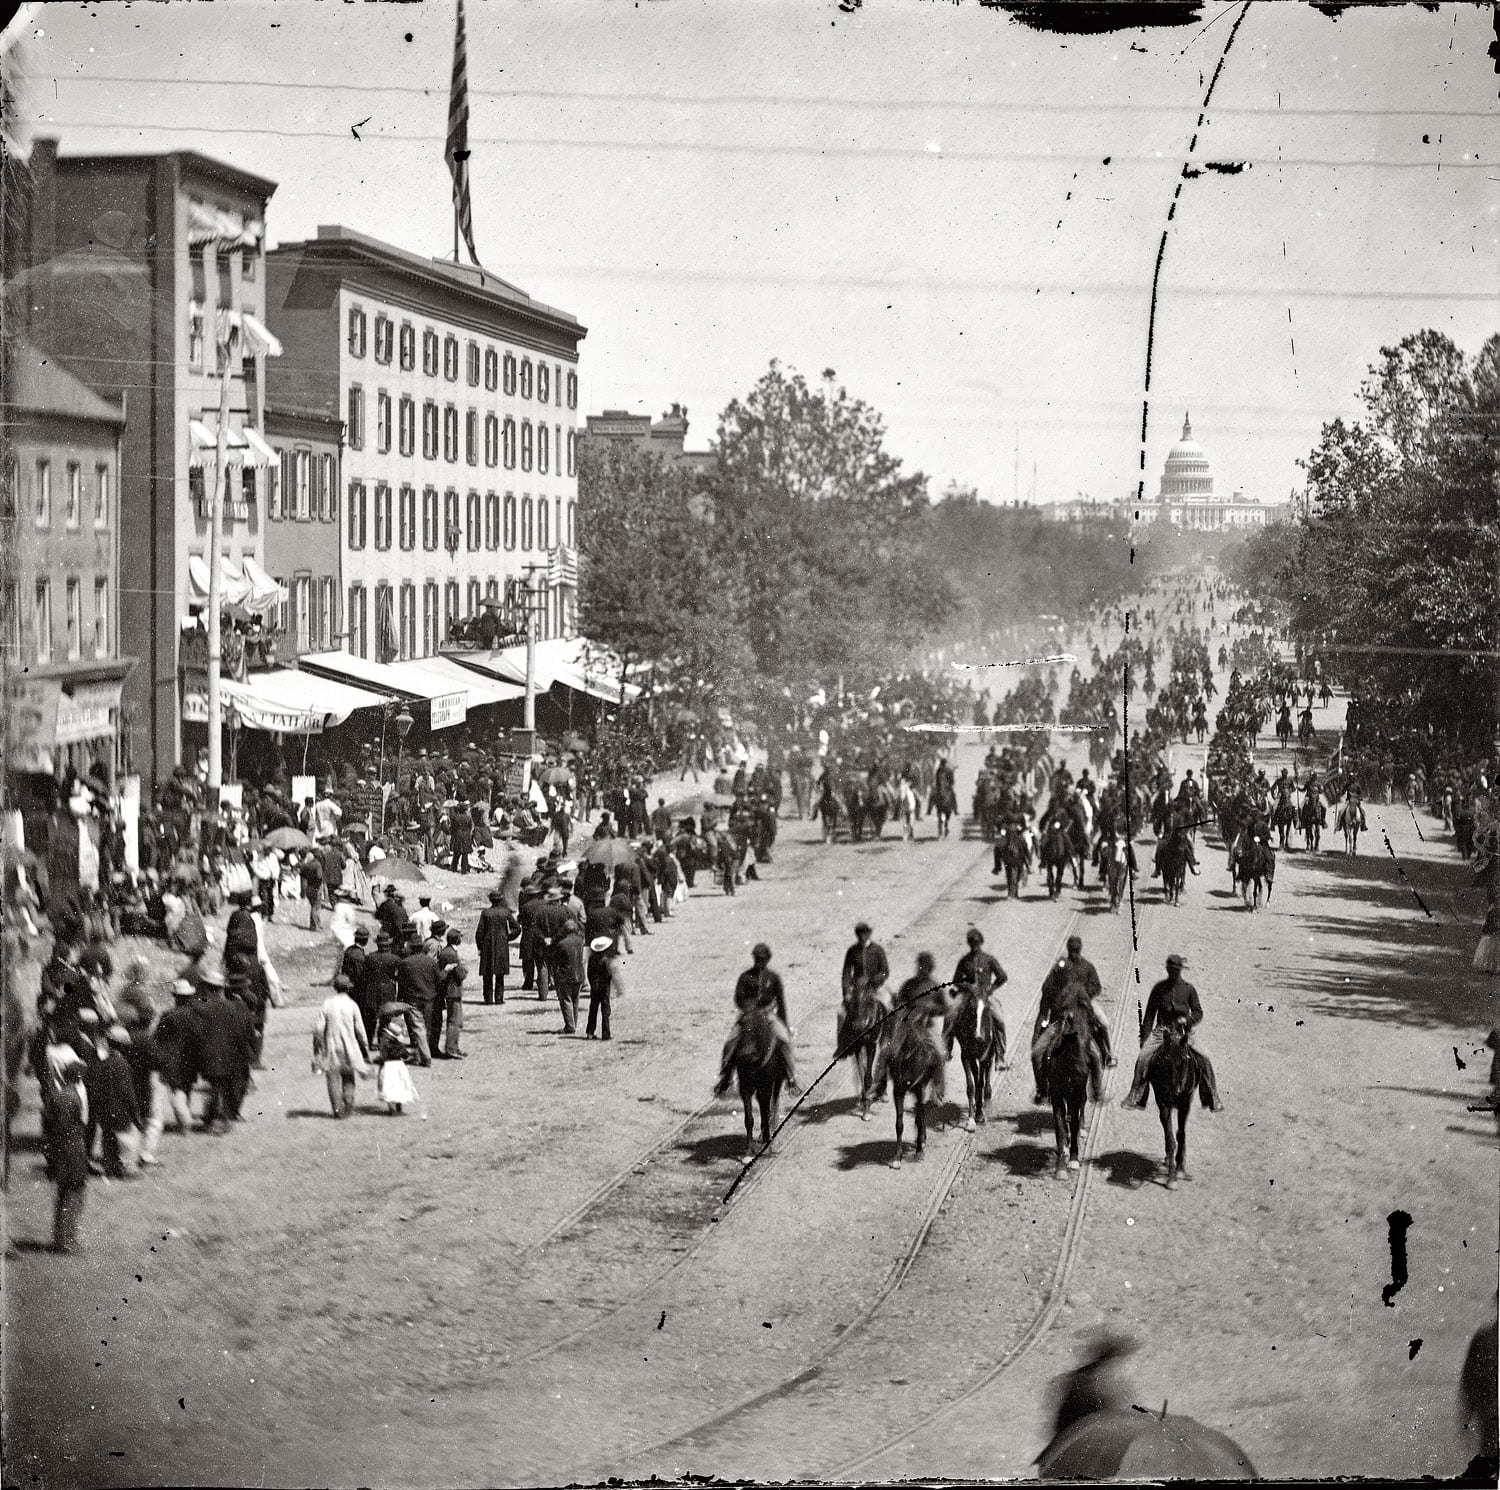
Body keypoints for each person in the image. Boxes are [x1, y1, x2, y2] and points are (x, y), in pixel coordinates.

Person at [1122, 954, 1224, 1112]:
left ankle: (1213, 1096)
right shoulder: (1159, 989)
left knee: (1205, 1057)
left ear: (1180, 970)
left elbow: (1198, 1012)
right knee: (1143, 1058)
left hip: (1184, 1033)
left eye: (1176, 970)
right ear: (1167, 969)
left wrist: (1187, 1021)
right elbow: (1149, 1014)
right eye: (1170, 970)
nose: (1173, 973)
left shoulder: (1188, 989)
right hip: (1162, 1032)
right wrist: (1145, 1037)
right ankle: (1135, 1094)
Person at [1032, 938, 1112, 1105]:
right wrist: (1058, 993)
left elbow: (1096, 986)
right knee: (1037, 1053)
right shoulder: (1061, 965)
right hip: (1059, 1019)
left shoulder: (1087, 966)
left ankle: (1106, 1061)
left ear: (1080, 949)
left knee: (1103, 1026)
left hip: (1083, 1006)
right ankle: (1042, 1089)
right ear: (1068, 949)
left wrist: (1083, 997)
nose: (1074, 952)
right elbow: (1047, 986)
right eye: (1072, 950)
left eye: (1076, 950)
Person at [867, 952, 952, 1102]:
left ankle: (938, 1089)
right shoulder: (909, 984)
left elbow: (945, 1008)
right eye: (920, 966)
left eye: (925, 967)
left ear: (930, 968)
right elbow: (898, 1001)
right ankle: (877, 1086)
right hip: (908, 1024)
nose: (922, 969)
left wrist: (931, 1010)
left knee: (940, 1052)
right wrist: (900, 1005)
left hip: (927, 1026)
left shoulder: (935, 987)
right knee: (887, 1050)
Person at [715, 943, 798, 1095]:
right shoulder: (745, 977)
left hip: (768, 1015)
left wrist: (784, 1023)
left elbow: (781, 1002)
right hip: (748, 1016)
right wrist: (748, 1008)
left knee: (785, 1040)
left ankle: (791, 1079)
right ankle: (725, 1077)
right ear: (754, 959)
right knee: (731, 1041)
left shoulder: (773, 978)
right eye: (757, 959)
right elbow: (738, 998)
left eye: (763, 959)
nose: (760, 962)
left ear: (767, 959)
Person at [139, 978, 200, 1165]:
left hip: (169, 1058)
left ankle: (184, 1122)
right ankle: (185, 1123)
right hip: (187, 1058)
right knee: (181, 1090)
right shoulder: (194, 1015)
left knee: (172, 1092)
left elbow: (157, 1037)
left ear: (176, 997)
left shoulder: (168, 1015)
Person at [194, 968, 255, 1135]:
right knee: (224, 1088)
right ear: (221, 988)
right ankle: (222, 1120)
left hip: (208, 1055)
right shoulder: (233, 1007)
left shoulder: (200, 1006)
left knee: (214, 1087)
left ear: (206, 986)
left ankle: (214, 1119)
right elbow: (242, 1032)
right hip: (231, 1055)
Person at [45, 1046, 90, 1253]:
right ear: (79, 1077)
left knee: (66, 1194)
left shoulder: (59, 1095)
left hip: (64, 1150)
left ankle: (62, 1239)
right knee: (73, 1195)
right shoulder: (71, 1097)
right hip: (72, 1151)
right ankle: (66, 1240)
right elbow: (65, 1127)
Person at [312, 974, 371, 1118]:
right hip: (349, 1046)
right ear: (348, 988)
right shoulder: (352, 1005)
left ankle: (338, 1110)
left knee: (332, 1078)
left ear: (335, 988)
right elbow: (360, 1029)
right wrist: (364, 1046)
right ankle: (349, 1104)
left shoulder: (327, 1003)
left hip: (331, 1045)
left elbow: (319, 1028)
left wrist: (317, 1044)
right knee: (348, 1076)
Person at [951, 928, 1009, 1063]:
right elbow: (955, 980)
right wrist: (968, 986)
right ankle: (947, 1048)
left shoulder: (989, 959)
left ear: (981, 942)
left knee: (999, 1019)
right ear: (969, 943)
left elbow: (1002, 976)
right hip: (967, 996)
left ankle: (1000, 1055)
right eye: (972, 943)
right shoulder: (964, 961)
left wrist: (991, 988)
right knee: (950, 1014)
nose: (974, 945)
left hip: (986, 996)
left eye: (976, 943)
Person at [838, 920, 891, 1052]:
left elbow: (885, 971)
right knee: (841, 1014)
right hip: (857, 988)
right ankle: (842, 1045)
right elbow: (846, 972)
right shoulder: (852, 951)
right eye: (859, 934)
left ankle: (887, 1038)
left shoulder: (877, 950)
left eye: (864, 934)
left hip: (875, 987)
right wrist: (847, 993)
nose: (862, 937)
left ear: (869, 934)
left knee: (888, 1006)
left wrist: (874, 980)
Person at [398, 933, 442, 1061]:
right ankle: (422, 1053)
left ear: (411, 947)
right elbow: (438, 980)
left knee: (418, 1027)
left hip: (412, 999)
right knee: (426, 1026)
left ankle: (424, 1056)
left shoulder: (405, 963)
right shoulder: (431, 962)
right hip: (429, 998)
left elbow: (402, 982)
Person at [476, 889, 515, 1004]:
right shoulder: (505, 912)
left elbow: (479, 933)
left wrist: (480, 947)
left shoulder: (485, 913)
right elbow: (517, 928)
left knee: (487, 974)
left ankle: (488, 999)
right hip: (502, 945)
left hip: (487, 945)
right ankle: (499, 998)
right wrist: (508, 937)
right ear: (501, 899)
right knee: (500, 973)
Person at [552, 917, 586, 1036]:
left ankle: (570, 1026)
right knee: (575, 1000)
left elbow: (556, 961)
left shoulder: (561, 944)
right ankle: (574, 1024)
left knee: (566, 1000)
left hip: (565, 976)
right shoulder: (580, 941)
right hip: (579, 975)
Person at [438, 927, 468, 1058]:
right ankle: (451, 1048)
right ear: (456, 939)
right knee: (455, 1020)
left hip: (451, 990)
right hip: (453, 990)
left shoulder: (447, 951)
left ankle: (453, 1047)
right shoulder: (451, 954)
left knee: (456, 1020)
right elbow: (460, 973)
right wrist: (464, 969)